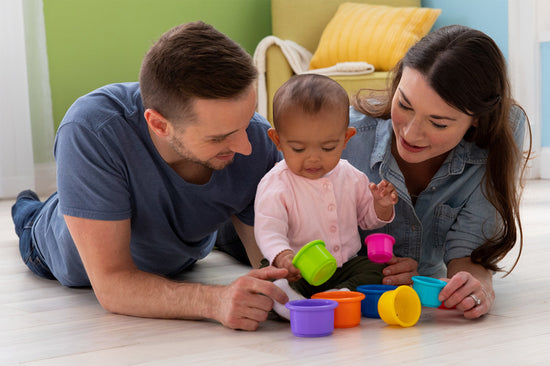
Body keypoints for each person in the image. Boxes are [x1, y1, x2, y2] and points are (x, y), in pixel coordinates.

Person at [11, 21, 289, 331]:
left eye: (246, 121)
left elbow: (269, 266)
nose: (246, 147)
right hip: (55, 253)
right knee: (28, 214)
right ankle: (27, 205)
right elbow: (112, 285)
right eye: (219, 137)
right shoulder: (91, 130)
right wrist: (215, 300)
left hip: (180, 253)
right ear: (158, 125)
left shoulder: (257, 139)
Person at [341, 24, 532, 319]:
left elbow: (468, 253)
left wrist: (475, 285)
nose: (411, 133)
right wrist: (363, 270)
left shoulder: (501, 134)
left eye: (439, 123)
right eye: (404, 104)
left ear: (477, 121)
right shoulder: (346, 140)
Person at [254, 74, 399, 318]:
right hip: (297, 269)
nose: (313, 158)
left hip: (344, 266)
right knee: (269, 281)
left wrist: (381, 205)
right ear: (277, 140)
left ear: (346, 139)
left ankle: (337, 295)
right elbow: (269, 231)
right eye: (298, 149)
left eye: (328, 148)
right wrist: (283, 257)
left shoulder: (351, 176)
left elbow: (368, 220)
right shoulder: (275, 184)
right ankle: (295, 303)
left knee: (379, 271)